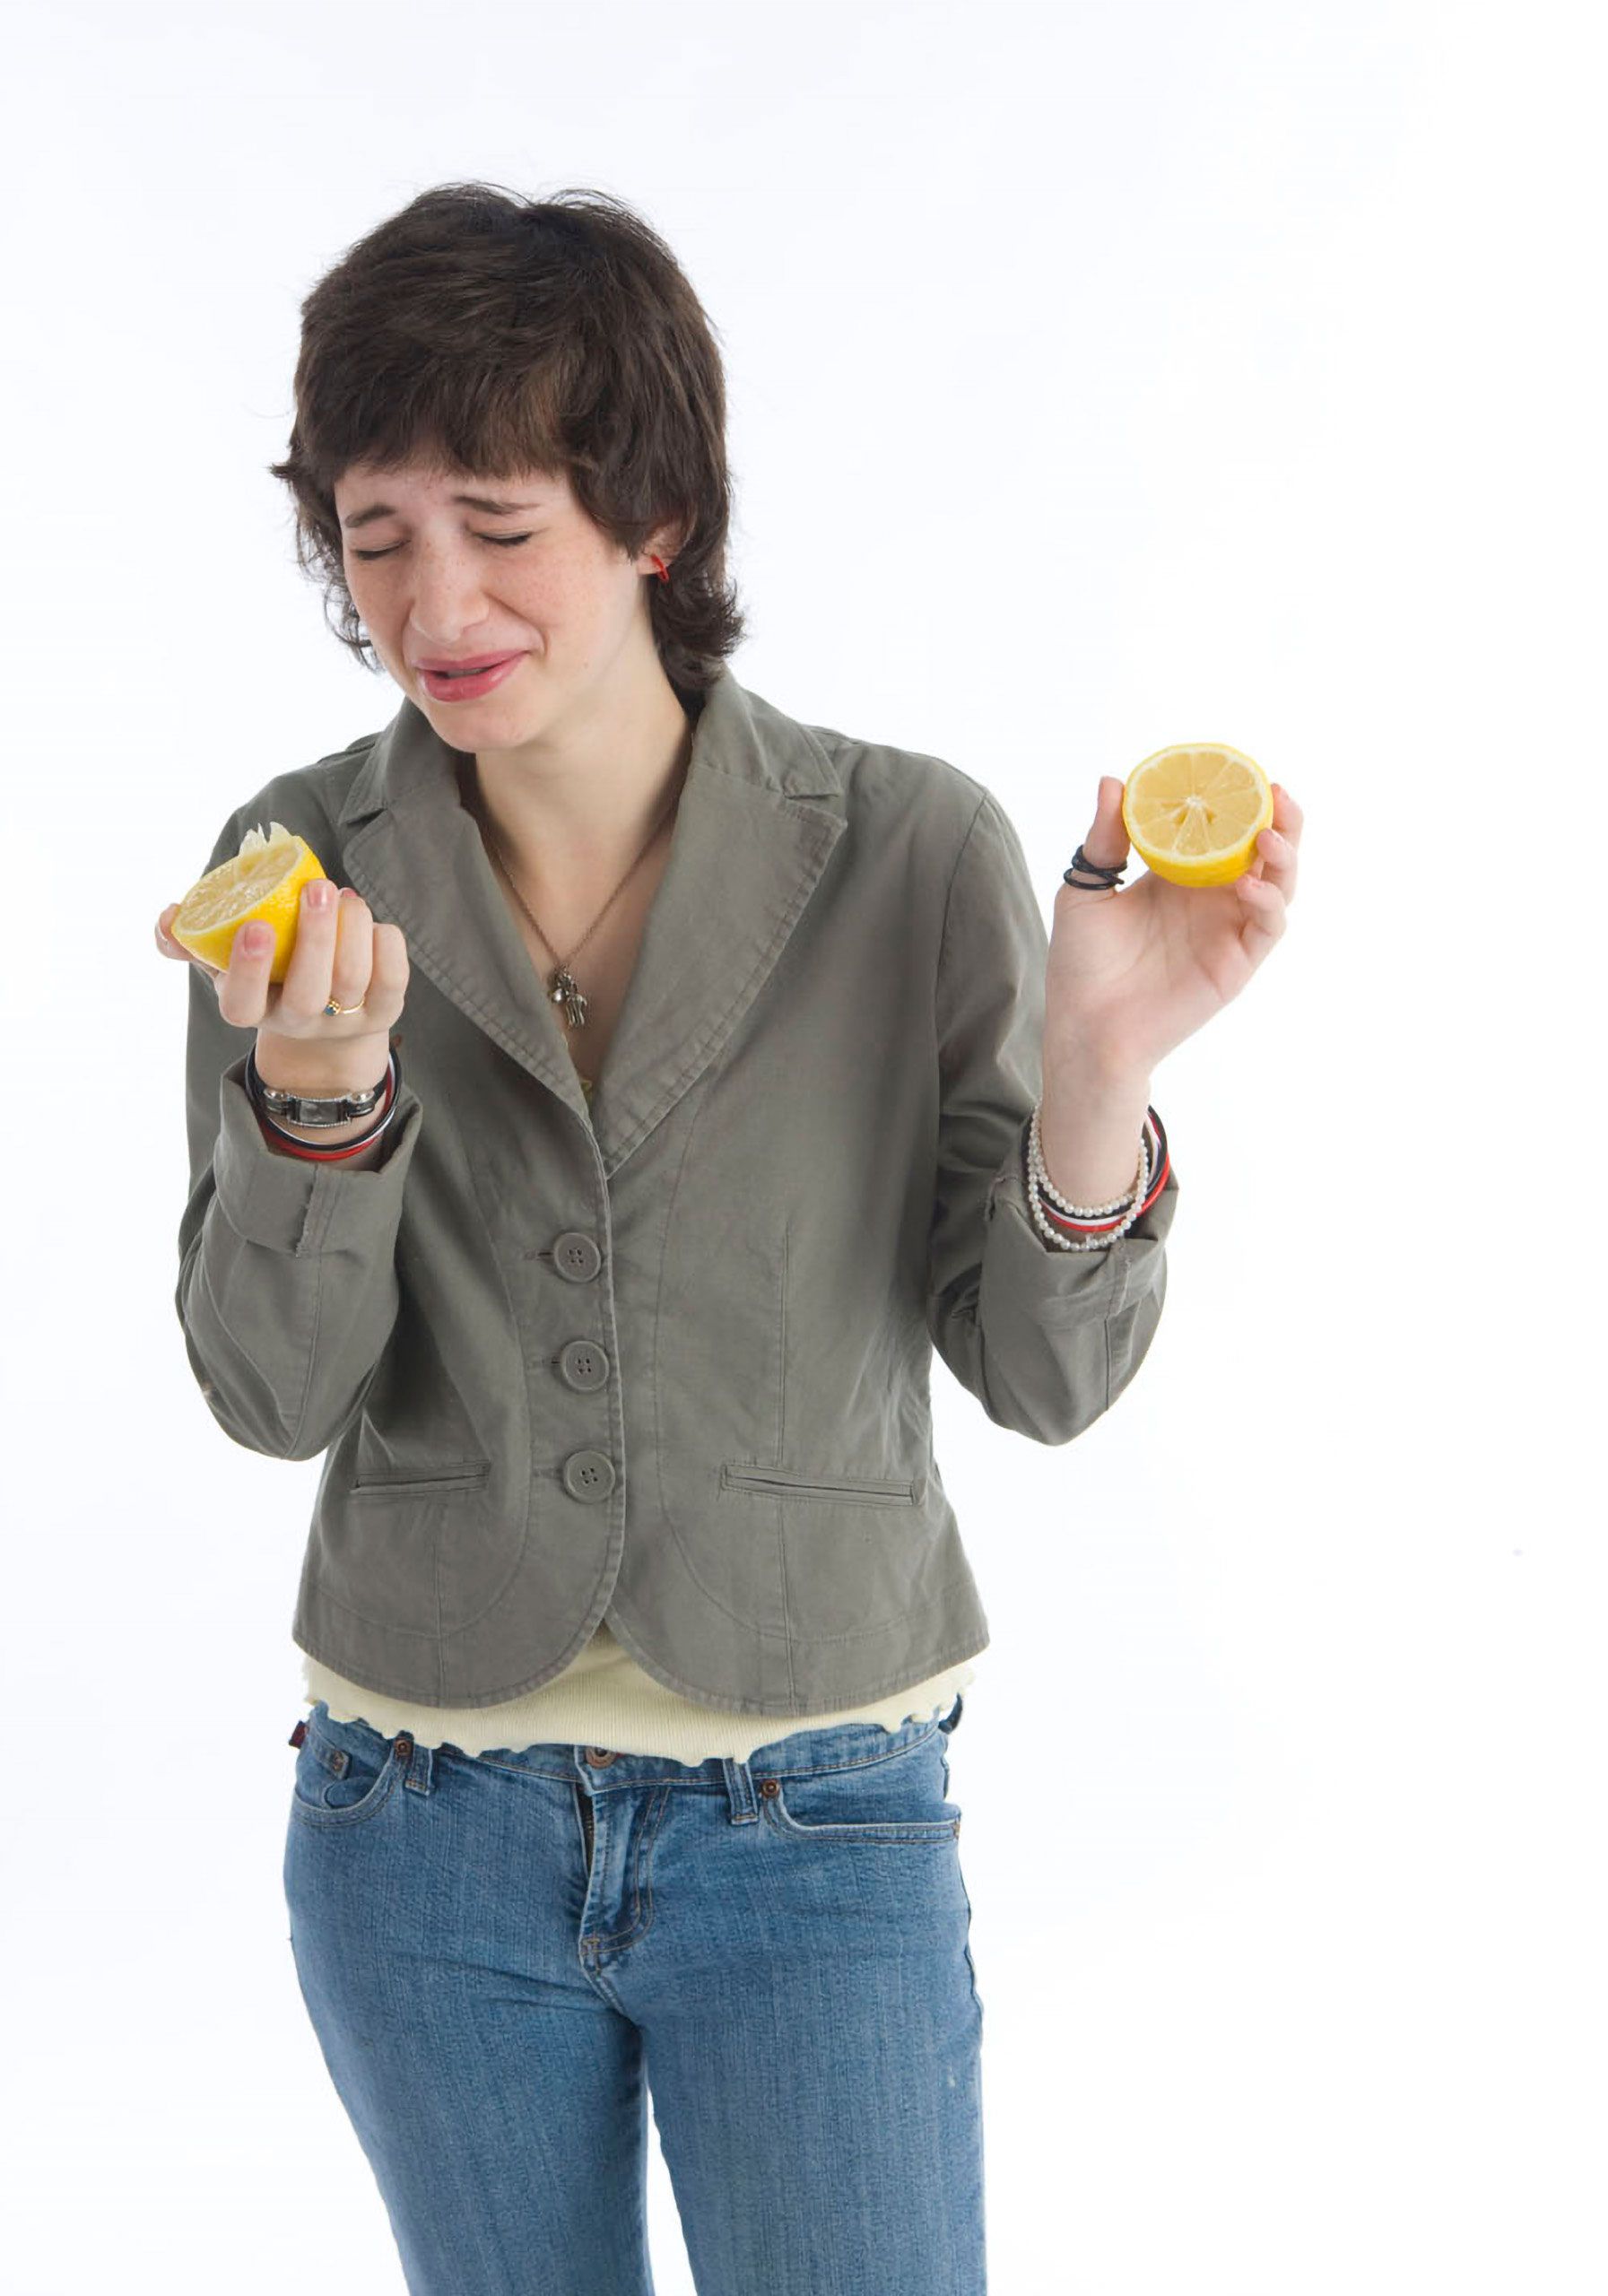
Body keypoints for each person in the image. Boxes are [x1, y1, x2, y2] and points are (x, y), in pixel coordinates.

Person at [156, 182, 1300, 2296]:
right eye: (375, 528)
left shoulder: (909, 847)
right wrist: (321, 1111)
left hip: (820, 1822)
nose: (433, 601)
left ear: (655, 519)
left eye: (500, 524)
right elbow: (267, 1390)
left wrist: (1104, 1073)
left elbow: (1045, 1376)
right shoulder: (294, 861)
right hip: (416, 1824)